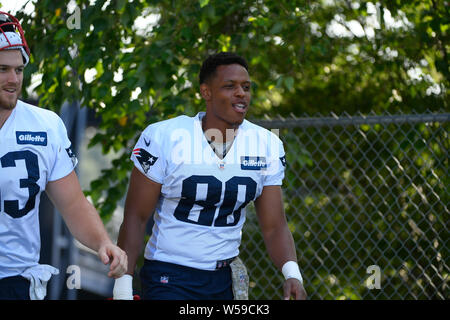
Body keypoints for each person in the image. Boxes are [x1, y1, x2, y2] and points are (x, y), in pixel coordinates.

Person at [113, 52, 306, 300]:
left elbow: (274, 225)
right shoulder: (166, 136)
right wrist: (123, 283)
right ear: (206, 92)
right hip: (169, 274)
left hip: (222, 277)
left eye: (246, 87)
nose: (241, 93)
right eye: (230, 86)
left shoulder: (266, 144)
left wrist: (292, 274)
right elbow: (136, 217)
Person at [0, 11, 127, 300]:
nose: (13, 80)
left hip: (16, 279)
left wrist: (102, 242)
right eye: (2, 69)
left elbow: (72, 203)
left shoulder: (45, 125)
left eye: (18, 70)